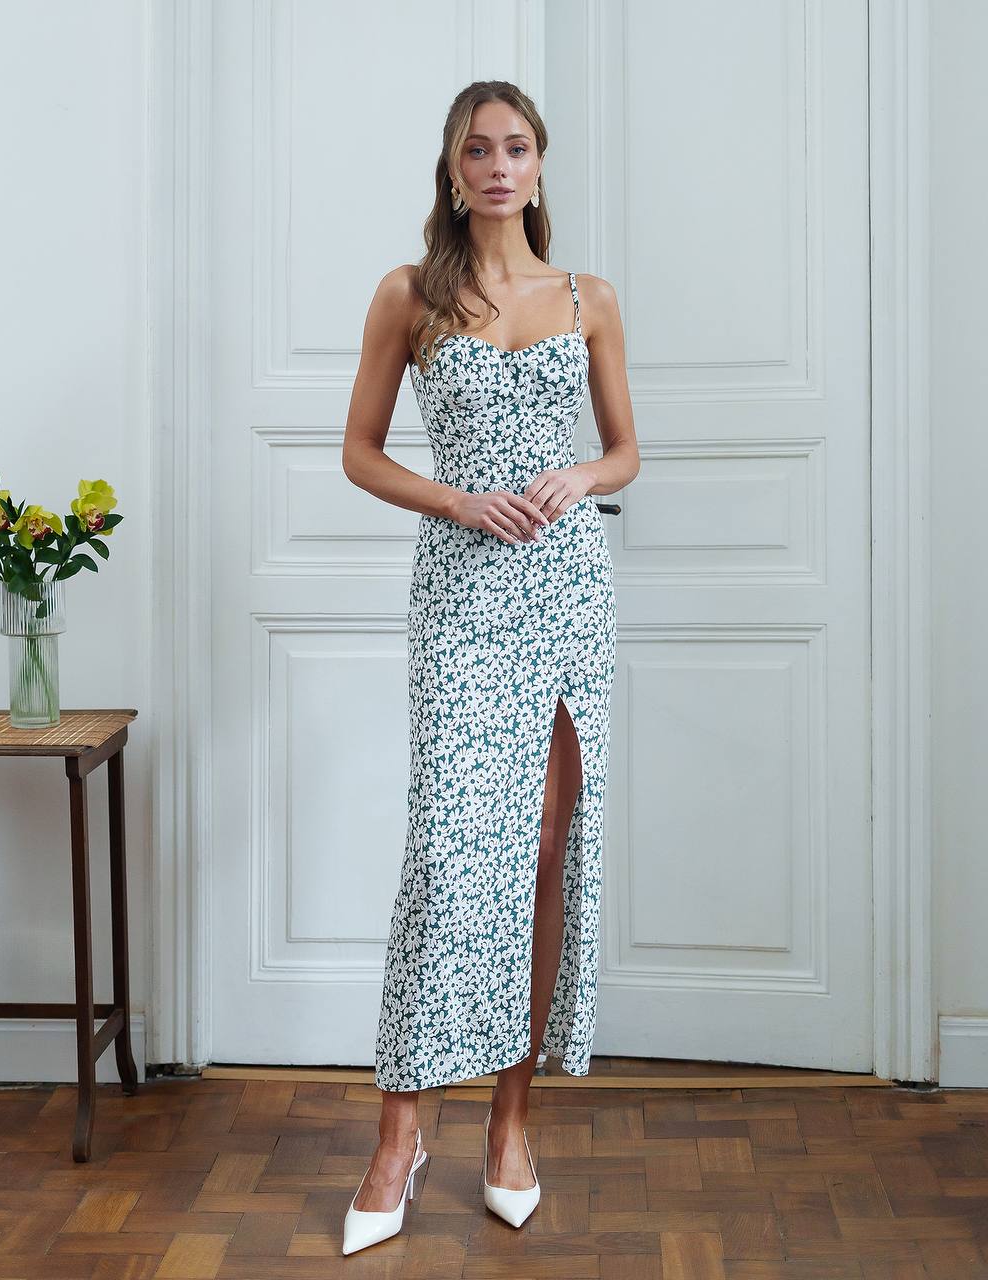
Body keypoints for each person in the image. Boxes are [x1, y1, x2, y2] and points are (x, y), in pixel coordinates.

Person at [339, 79, 639, 1254]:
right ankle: (397, 1130)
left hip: (567, 587)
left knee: (548, 845)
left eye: (517, 147)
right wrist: (457, 499)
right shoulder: (408, 296)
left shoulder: (588, 298)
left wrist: (582, 478)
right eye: (479, 149)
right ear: (453, 168)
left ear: (539, 163)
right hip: (463, 592)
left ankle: (510, 1122)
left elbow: (624, 450)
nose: (499, 166)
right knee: (452, 847)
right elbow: (359, 452)